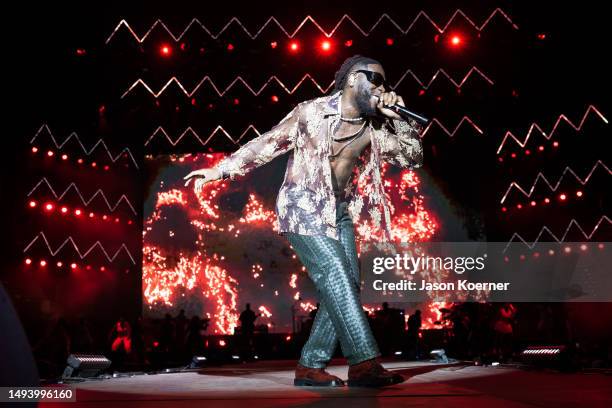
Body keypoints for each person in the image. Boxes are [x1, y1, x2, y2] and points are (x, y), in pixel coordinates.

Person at [185, 55, 424, 387]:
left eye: (386, 83)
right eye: (376, 79)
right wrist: (220, 169)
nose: (382, 88)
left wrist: (399, 118)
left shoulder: (377, 126)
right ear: (354, 78)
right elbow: (267, 144)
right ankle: (365, 363)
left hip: (340, 211)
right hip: (303, 207)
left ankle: (310, 366)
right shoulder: (310, 113)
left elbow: (411, 159)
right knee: (337, 276)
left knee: (347, 284)